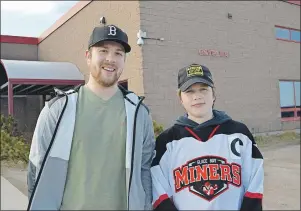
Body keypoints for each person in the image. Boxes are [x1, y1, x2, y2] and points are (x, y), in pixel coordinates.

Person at [27, 24, 155, 210]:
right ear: (88, 56)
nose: (111, 59)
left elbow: (145, 171)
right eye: (103, 51)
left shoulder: (139, 114)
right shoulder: (58, 109)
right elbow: (35, 171)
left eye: (118, 53)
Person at [151, 64, 264, 210]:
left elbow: (255, 184)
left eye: (203, 89)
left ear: (213, 94)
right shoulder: (167, 141)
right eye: (189, 91)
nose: (197, 96)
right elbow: (159, 193)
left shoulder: (239, 133)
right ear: (180, 99)